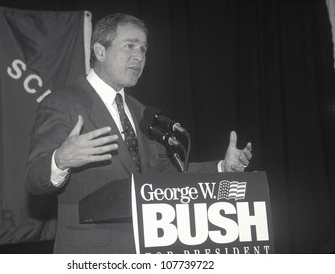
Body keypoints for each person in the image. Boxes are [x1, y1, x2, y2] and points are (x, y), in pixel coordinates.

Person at [26, 13, 252, 254]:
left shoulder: (140, 111)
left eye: (144, 49)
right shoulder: (63, 103)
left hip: (147, 250)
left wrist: (221, 168)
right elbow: (33, 179)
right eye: (130, 46)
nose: (139, 57)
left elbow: (164, 172)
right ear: (100, 51)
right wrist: (60, 160)